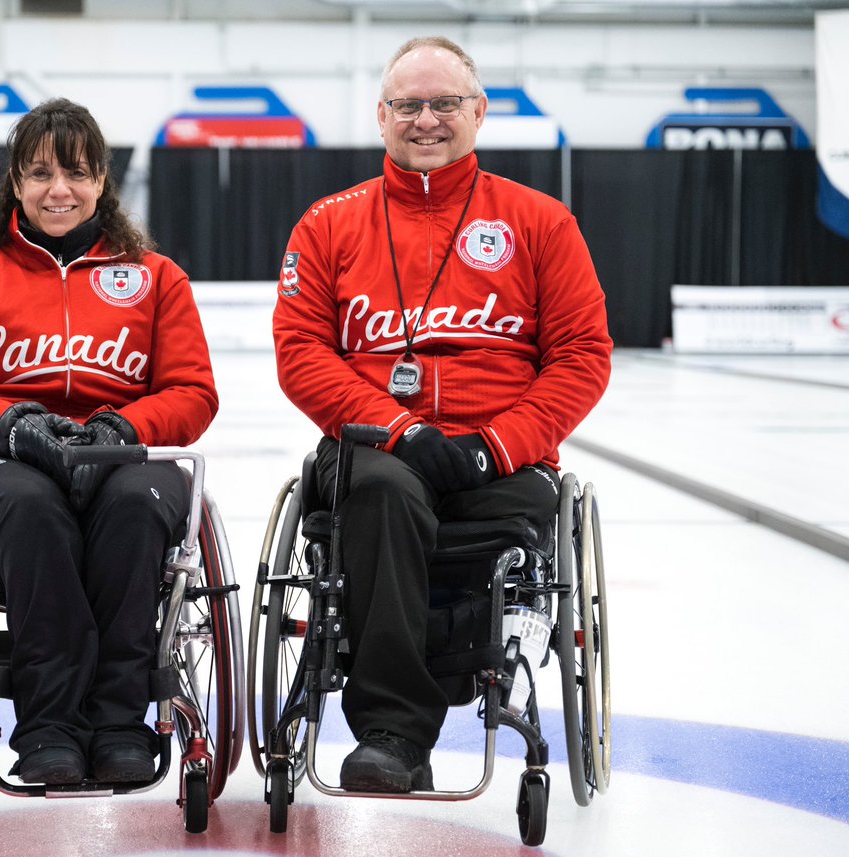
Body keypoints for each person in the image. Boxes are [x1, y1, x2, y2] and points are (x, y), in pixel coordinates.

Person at [273, 37, 612, 793]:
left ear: (479, 112)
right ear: (382, 116)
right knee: (385, 488)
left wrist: (497, 445)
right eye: (408, 106)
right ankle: (394, 734)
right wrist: (401, 431)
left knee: (444, 499)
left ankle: (439, 670)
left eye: (445, 103)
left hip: (502, 459)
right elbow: (302, 355)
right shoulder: (327, 224)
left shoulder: (541, 222)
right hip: (373, 449)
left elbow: (583, 355)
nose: (426, 120)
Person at [0, 98, 218, 786]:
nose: (58, 190)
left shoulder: (159, 279)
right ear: (15, 182)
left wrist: (123, 427)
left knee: (136, 506)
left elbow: (194, 393)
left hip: (122, 456)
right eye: (40, 173)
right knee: (31, 506)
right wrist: (11, 423)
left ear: (102, 180)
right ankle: (48, 724)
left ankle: (118, 720)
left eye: (75, 173)